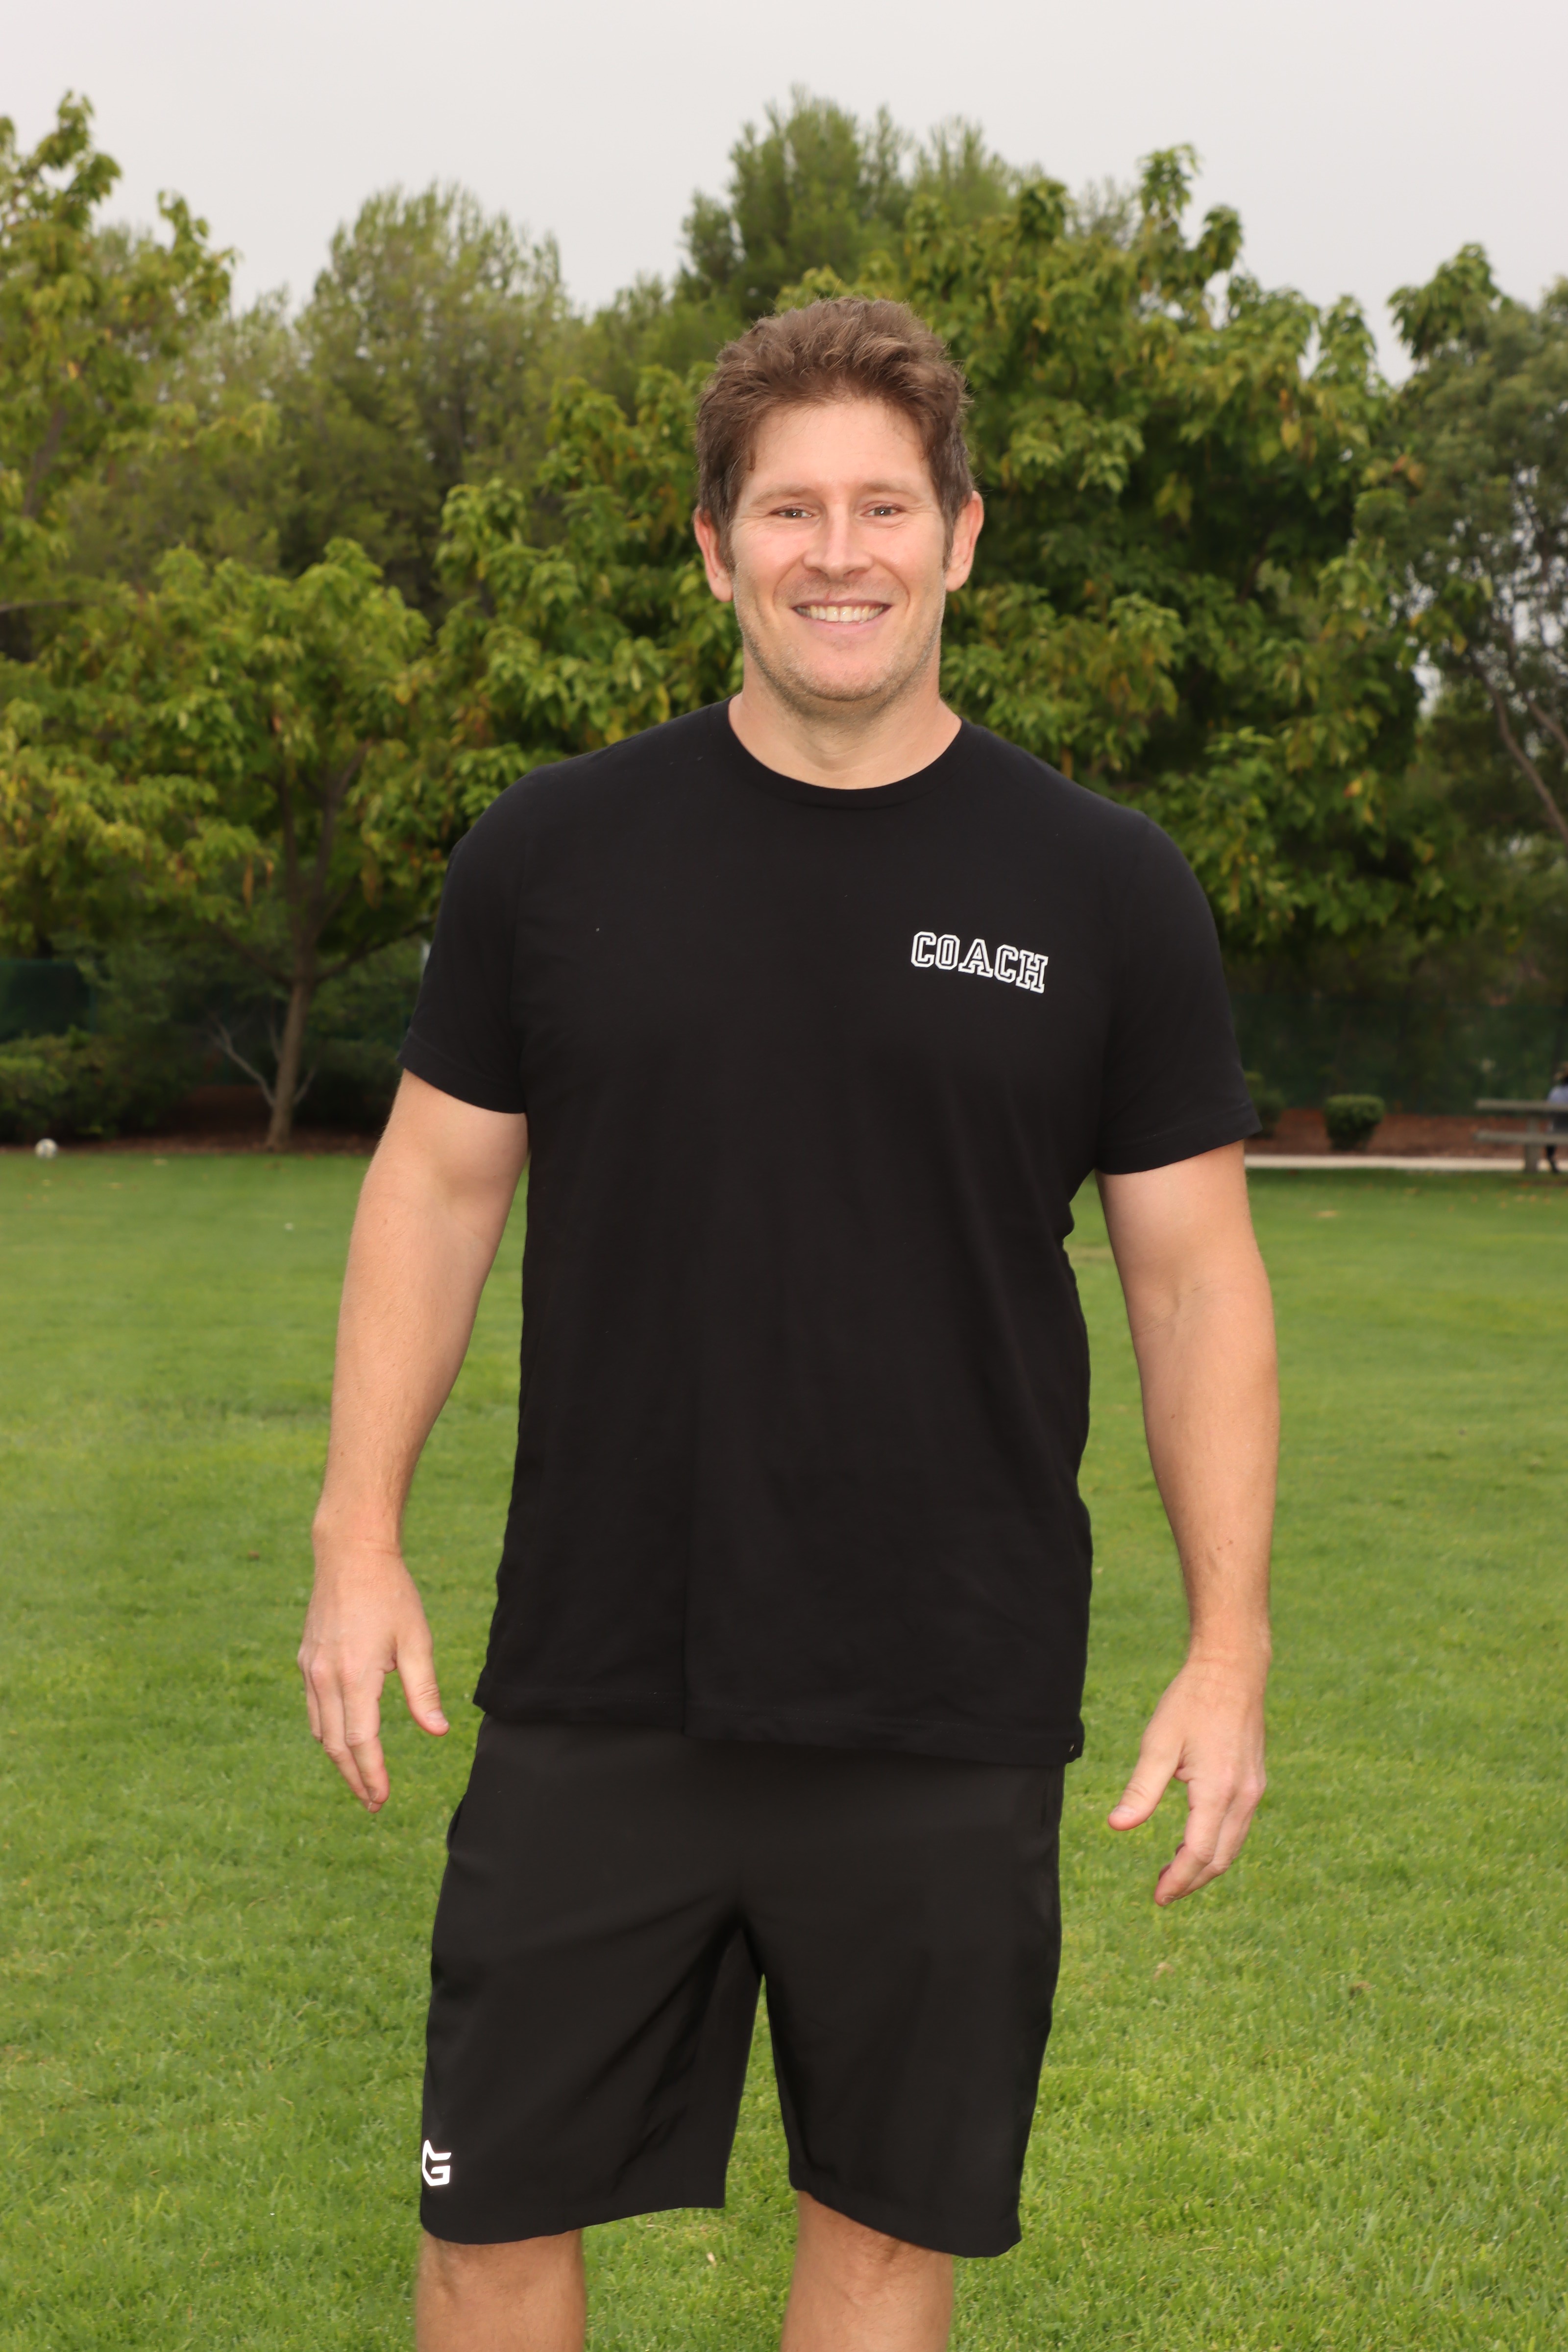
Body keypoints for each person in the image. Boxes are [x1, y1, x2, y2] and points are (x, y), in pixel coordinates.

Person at [299, 297, 1277, 2352]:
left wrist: (1226, 1645)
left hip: (943, 1687)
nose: (839, 552)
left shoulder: (1101, 886)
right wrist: (354, 1532)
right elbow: (434, 1189)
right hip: (600, 1672)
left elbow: (1192, 1280)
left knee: (879, 2245)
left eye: (883, 506)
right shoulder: (550, 852)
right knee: (490, 2225)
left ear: (962, 535)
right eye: (788, 509)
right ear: (712, 546)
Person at [1546, 1061, 1568, 1175]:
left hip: (1556, 1129)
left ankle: (1551, 1157)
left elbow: (1549, 1112)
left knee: (1550, 1129)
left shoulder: (1555, 1092)